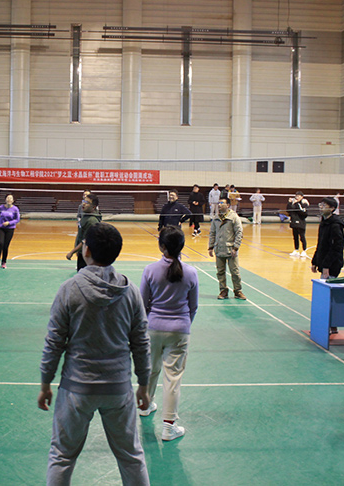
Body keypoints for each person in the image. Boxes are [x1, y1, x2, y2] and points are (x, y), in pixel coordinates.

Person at [38, 222, 151, 485]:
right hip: (119, 388)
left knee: (62, 456)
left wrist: (45, 383)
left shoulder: (69, 290)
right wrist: (144, 385)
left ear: (85, 250)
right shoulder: (131, 292)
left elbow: (54, 342)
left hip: (76, 388)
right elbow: (141, 343)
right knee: (132, 457)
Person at [139, 225, 198, 441]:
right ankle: (169, 427)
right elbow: (193, 306)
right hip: (179, 330)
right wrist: (184, 326)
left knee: (151, 370)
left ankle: (145, 406)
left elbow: (142, 303)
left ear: (161, 246)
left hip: (153, 328)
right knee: (172, 379)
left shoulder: (150, 270)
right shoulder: (191, 272)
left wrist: (148, 324)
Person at [209, 197, 246, 300]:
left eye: (222, 203)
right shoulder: (216, 218)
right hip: (219, 249)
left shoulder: (234, 217)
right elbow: (212, 233)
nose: (219, 205)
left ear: (228, 205)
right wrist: (211, 247)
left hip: (231, 250)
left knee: (235, 272)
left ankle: (238, 291)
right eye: (219, 203)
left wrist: (236, 247)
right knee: (220, 272)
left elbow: (239, 233)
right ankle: (223, 290)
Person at [311, 197, 344, 279]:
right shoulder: (324, 222)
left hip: (332, 265)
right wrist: (315, 261)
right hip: (324, 263)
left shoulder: (335, 225)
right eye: (320, 205)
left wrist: (327, 265)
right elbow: (321, 244)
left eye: (324, 205)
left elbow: (337, 247)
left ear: (332, 208)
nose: (321, 207)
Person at [66, 192, 100, 272]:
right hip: (82, 252)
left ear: (93, 207)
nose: (84, 204)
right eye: (83, 201)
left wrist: (72, 252)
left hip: (88, 255)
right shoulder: (85, 216)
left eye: (87, 202)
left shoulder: (91, 221)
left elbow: (86, 240)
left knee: (85, 276)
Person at [0, 193, 20, 269]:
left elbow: (17, 219)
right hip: (0, 228)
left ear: (13, 200)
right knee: (0, 243)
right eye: (8, 198)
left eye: (11, 198)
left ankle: (4, 262)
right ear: (5, 199)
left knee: (6, 246)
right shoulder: (1, 207)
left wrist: (9, 223)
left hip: (10, 229)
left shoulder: (15, 209)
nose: (9, 199)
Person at [287, 192, 309, 258]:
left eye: (299, 196)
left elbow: (304, 213)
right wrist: (289, 203)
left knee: (302, 237)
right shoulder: (293, 203)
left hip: (301, 222)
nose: (297, 197)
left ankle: (304, 250)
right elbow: (288, 211)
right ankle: (296, 250)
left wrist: (297, 204)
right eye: (296, 196)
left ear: (302, 197)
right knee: (295, 237)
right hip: (294, 222)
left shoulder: (304, 203)